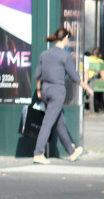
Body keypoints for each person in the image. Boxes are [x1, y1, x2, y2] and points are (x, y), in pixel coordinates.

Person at [32, 28, 93, 164]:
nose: (68, 42)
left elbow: (37, 75)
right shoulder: (65, 56)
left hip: (46, 89)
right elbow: (75, 77)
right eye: (68, 40)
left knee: (59, 121)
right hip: (57, 91)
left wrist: (38, 90)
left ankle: (71, 152)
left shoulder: (45, 54)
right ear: (65, 38)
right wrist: (87, 87)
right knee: (48, 122)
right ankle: (38, 152)